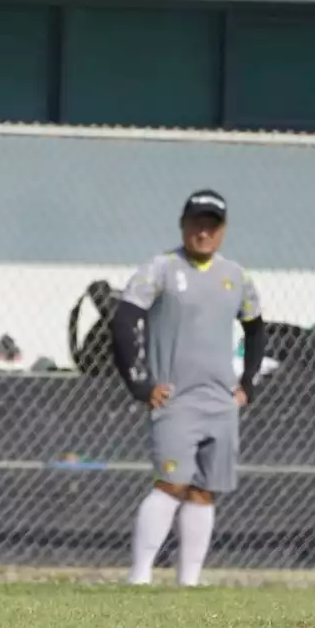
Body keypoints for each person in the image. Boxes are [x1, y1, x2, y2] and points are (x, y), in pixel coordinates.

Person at [110, 189, 265, 587]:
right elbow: (124, 322)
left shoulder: (236, 276)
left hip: (221, 402)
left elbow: (256, 327)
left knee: (204, 491)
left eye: (212, 225)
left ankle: (189, 583)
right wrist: (140, 384)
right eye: (197, 223)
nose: (203, 232)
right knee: (171, 482)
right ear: (183, 225)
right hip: (176, 400)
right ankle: (139, 577)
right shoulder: (159, 268)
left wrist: (247, 383)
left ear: (223, 230)